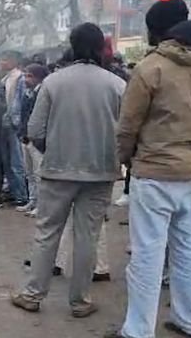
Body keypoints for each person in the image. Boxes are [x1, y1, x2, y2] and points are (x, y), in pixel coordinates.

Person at [107, 0, 191, 338]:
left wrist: (125, 159)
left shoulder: (150, 68)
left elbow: (127, 126)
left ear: (156, 31)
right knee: (189, 249)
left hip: (153, 172)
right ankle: (190, 320)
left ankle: (138, 329)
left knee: (147, 252)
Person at [10, 22, 125, 318]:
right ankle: (80, 300)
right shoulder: (116, 84)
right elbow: (127, 130)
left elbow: (35, 129)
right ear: (101, 48)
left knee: (47, 232)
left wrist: (53, 151)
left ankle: (33, 294)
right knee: (87, 235)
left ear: (72, 46)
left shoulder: (53, 82)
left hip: (58, 170)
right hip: (100, 172)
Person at [0, 50, 29, 207]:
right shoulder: (5, 79)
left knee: (17, 162)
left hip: (13, 125)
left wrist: (18, 123)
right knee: (7, 161)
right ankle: (12, 191)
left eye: (5, 59)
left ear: (14, 61)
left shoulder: (19, 79)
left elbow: (20, 104)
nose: (2, 62)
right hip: (5, 124)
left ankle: (21, 195)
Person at [18, 63, 49, 217]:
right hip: (26, 137)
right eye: (25, 75)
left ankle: (42, 205)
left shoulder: (43, 93)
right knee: (29, 172)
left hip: (37, 141)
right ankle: (33, 200)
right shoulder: (27, 92)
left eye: (30, 76)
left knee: (39, 174)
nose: (26, 78)